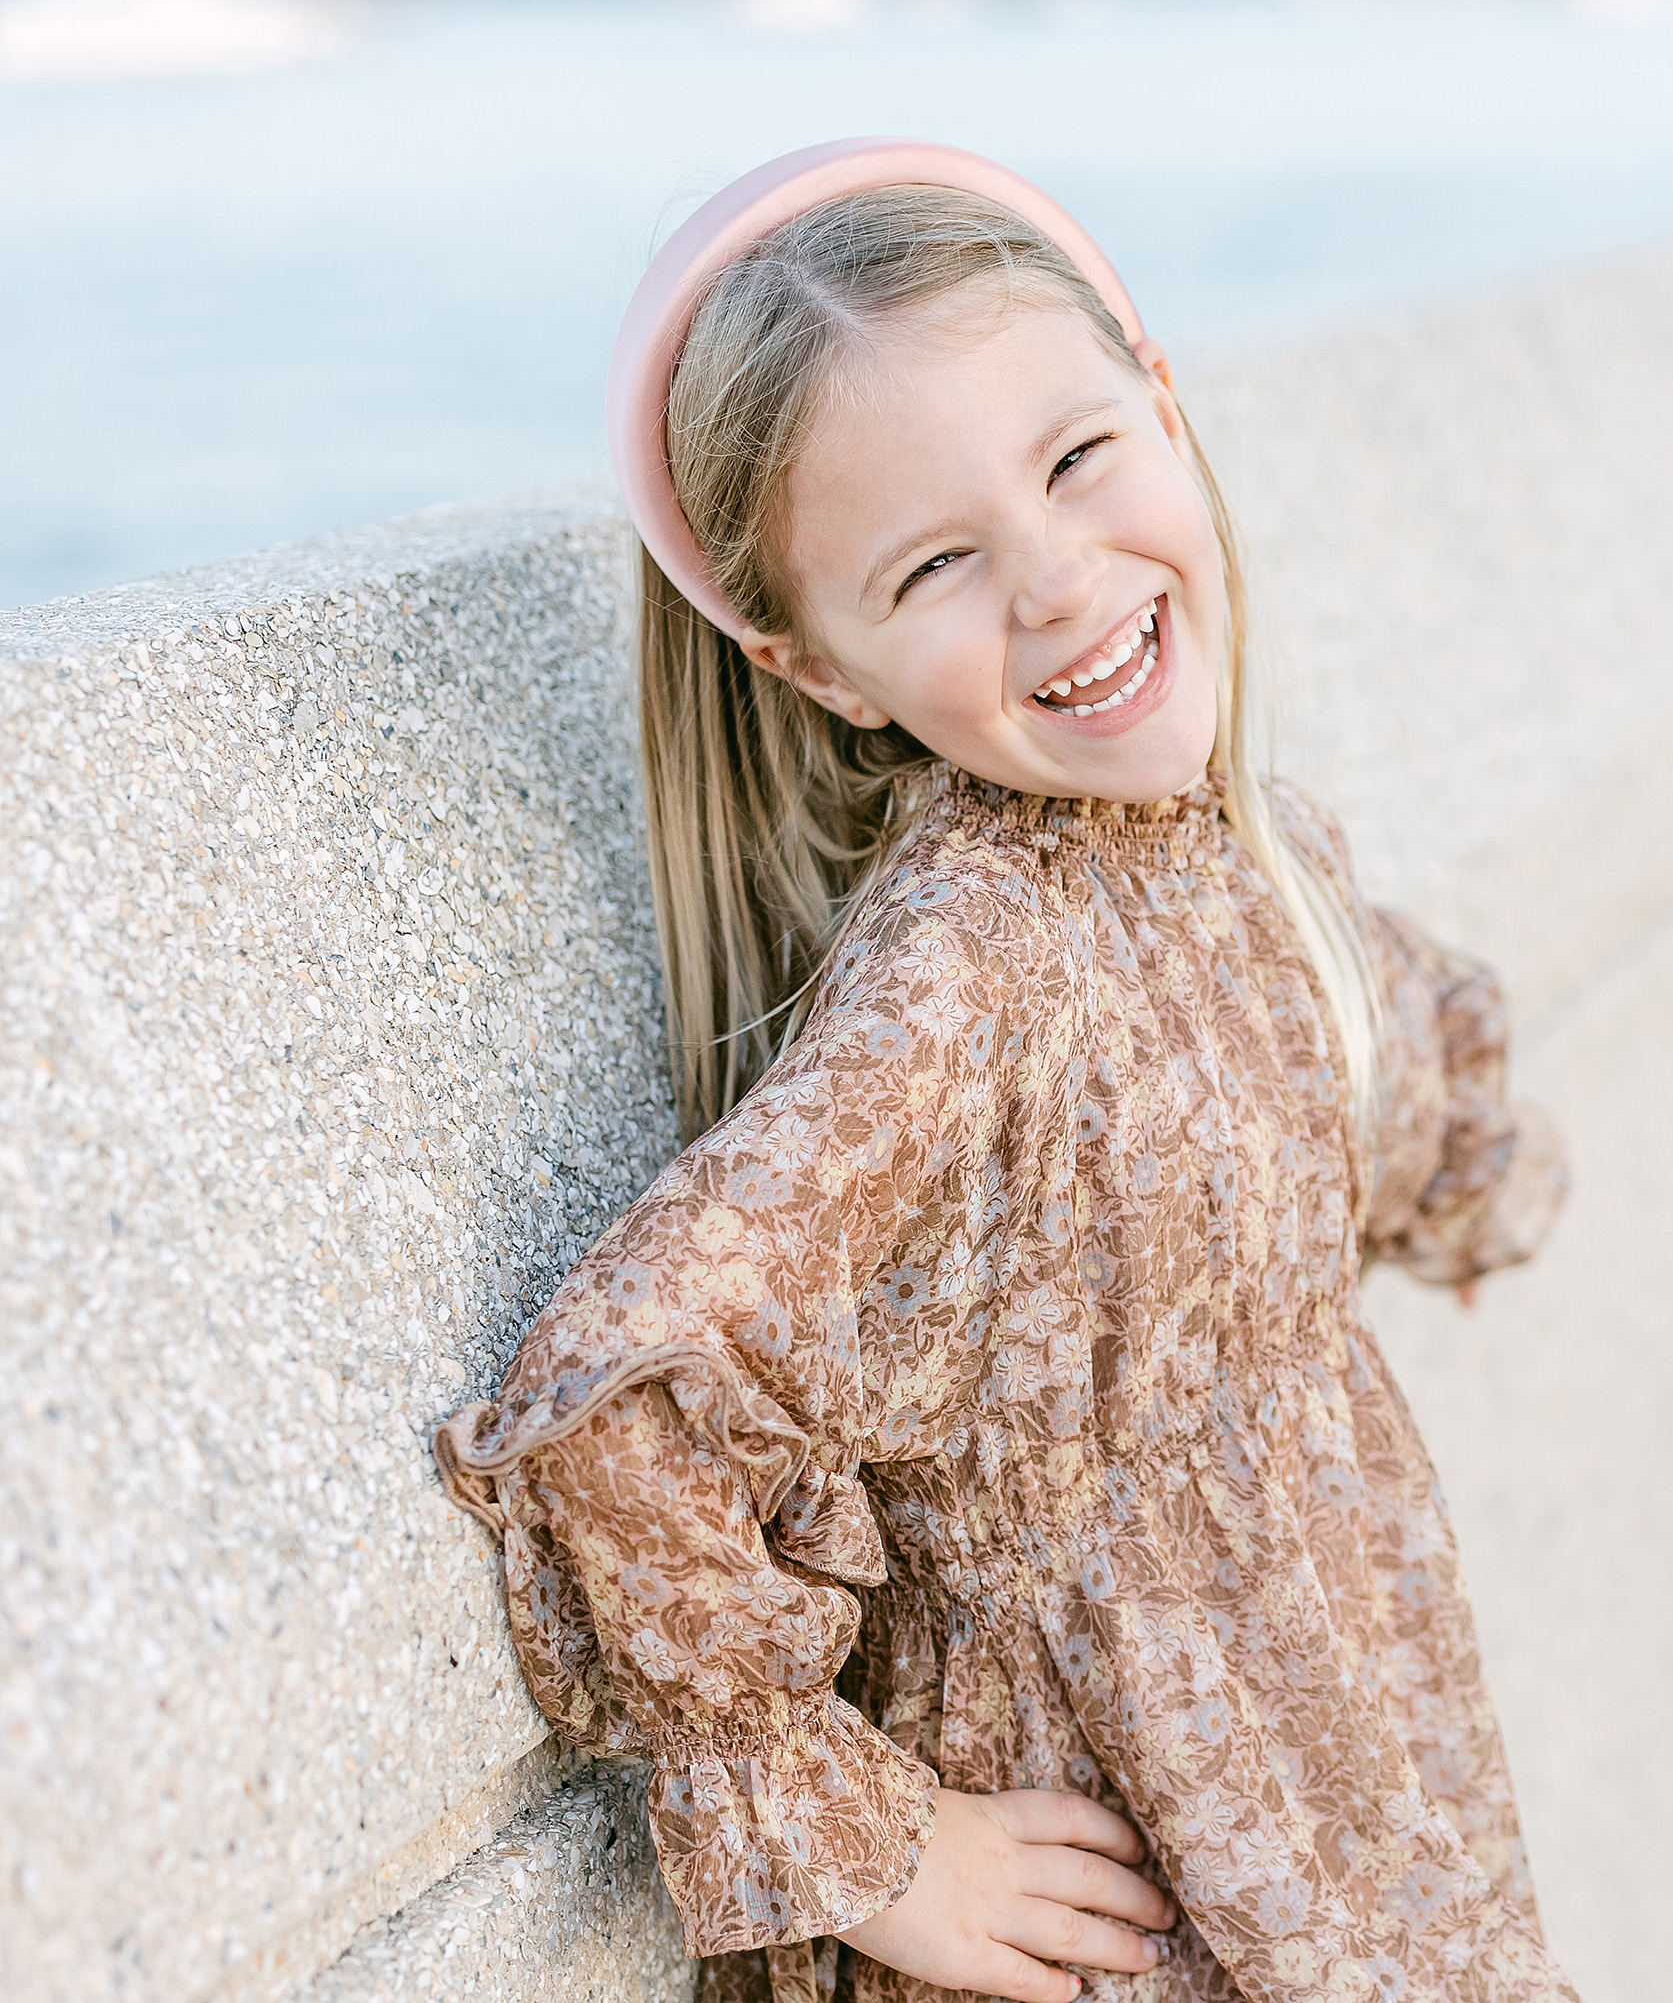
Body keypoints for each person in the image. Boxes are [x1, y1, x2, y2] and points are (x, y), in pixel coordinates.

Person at [432, 140, 1572, 2003]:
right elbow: (619, 1392)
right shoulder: (974, 975)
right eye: (940, 563)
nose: (1058, 585)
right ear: (825, 672)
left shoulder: (1253, 841)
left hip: (1350, 1793)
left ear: (1167, 403)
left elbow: (1364, 1032)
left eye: (1077, 460)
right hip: (1123, 1869)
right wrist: (866, 1840)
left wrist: (1448, 1163)